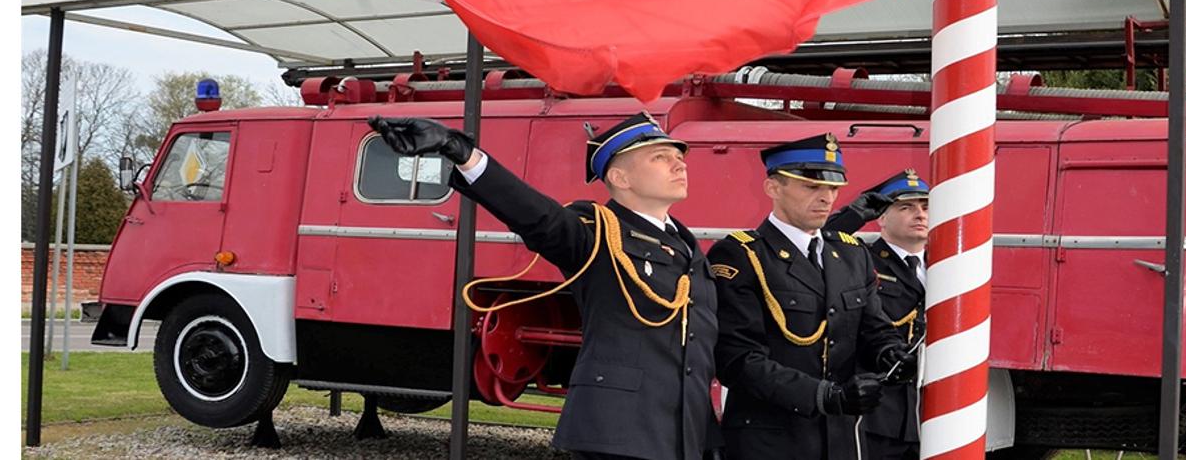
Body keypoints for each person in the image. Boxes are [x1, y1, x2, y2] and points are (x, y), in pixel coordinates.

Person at [370, 112, 720, 460]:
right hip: (620, 431)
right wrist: (459, 151)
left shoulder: (686, 248)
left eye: (679, 157)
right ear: (619, 177)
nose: (679, 165)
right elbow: (537, 215)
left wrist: (711, 434)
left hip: (682, 433)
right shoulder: (595, 233)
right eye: (661, 157)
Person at [708, 132, 913, 460]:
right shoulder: (741, 256)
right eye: (811, 187)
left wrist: (890, 352)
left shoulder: (851, 253)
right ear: (773, 188)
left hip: (839, 437)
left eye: (832, 188)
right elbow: (737, 359)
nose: (826, 198)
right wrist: (823, 396)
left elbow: (873, 327)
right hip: (769, 440)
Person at [825, 170, 932, 460]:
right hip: (879, 412)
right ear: (881, 217)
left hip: (930, 412)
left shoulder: (946, 265)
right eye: (906, 207)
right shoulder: (861, 259)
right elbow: (821, 241)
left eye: (925, 206)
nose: (920, 214)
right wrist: (855, 215)